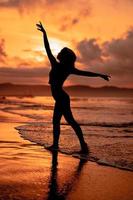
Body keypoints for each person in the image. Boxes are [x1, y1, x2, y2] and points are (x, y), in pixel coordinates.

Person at [36, 22, 110, 154]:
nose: (58, 53)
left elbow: (85, 73)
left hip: (62, 98)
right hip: (60, 98)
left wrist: (100, 75)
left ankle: (82, 146)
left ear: (64, 57)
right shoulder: (63, 67)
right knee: (58, 122)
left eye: (61, 53)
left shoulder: (61, 67)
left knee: (70, 121)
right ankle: (59, 145)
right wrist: (45, 33)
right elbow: (47, 49)